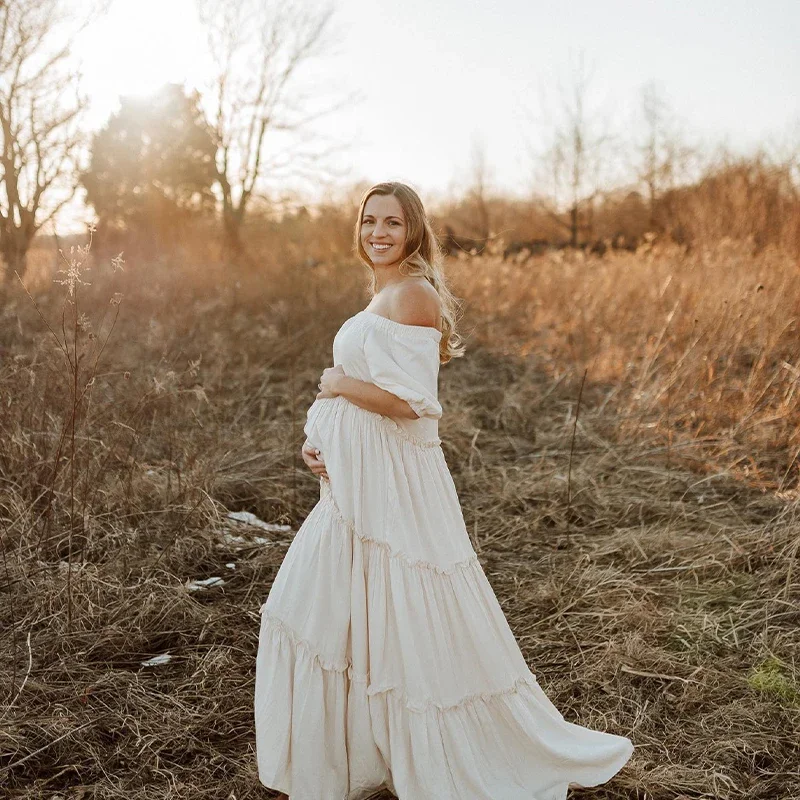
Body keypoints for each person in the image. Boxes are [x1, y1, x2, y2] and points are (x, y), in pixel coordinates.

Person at [254, 181, 634, 799]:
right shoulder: (384, 292)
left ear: (413, 232)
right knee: (332, 611)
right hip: (357, 486)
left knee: (401, 612)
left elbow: (413, 405)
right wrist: (320, 441)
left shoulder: (414, 295)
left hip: (394, 490)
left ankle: (445, 752)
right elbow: (372, 388)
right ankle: (364, 751)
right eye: (370, 221)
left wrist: (338, 387)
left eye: (392, 224)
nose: (378, 233)